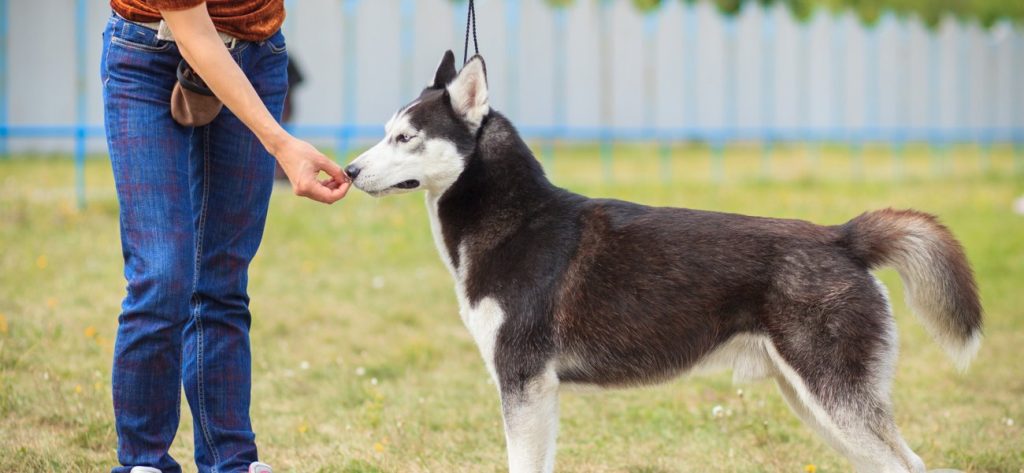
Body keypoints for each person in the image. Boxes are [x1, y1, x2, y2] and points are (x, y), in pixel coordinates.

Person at [102, 1, 349, 472]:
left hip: (256, 55)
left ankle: (231, 462)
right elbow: (194, 32)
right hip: (148, 56)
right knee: (162, 275)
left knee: (223, 278)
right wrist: (282, 143)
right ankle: (143, 462)